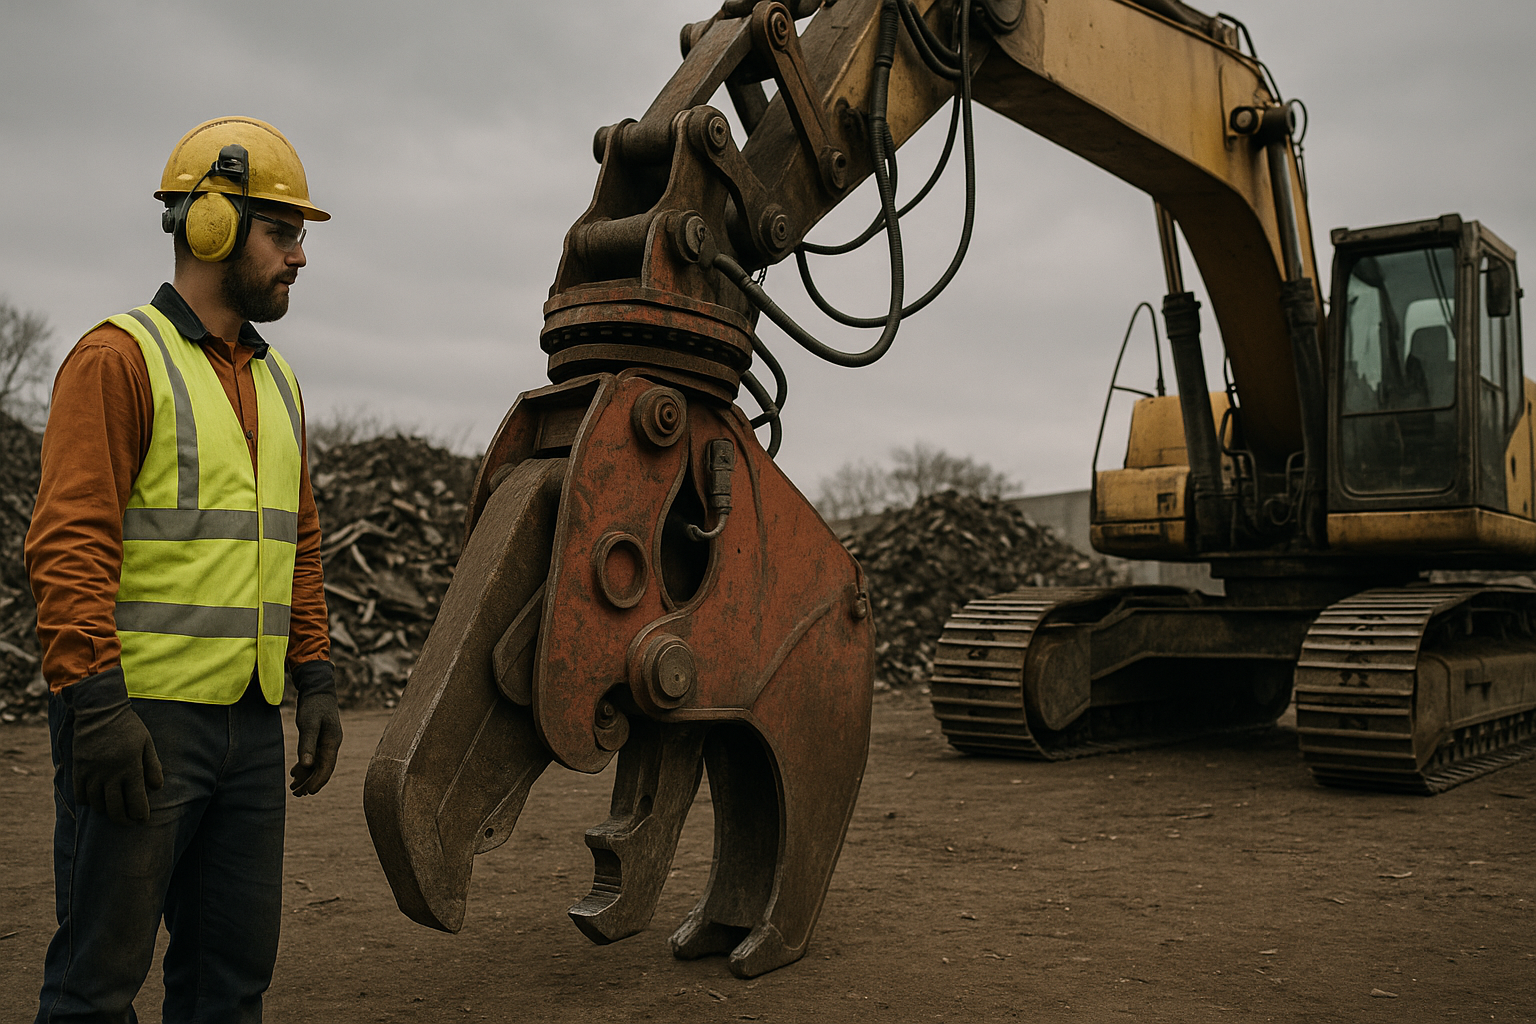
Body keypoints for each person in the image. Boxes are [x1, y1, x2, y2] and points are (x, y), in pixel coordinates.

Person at [26, 116, 341, 1023]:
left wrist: (314, 678)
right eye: (284, 233)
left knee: (228, 985)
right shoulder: (119, 359)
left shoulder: (278, 384)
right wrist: (94, 702)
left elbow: (300, 545)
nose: (300, 257)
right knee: (96, 986)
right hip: (140, 726)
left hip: (247, 728)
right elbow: (69, 539)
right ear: (211, 224)